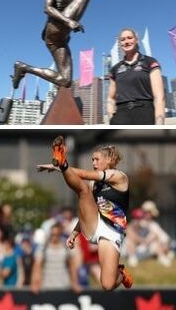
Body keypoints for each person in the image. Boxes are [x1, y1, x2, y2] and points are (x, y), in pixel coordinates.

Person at [12, 0, 123, 89]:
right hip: (53, 29)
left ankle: (24, 67)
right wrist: (68, 21)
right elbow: (47, 8)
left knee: (65, 81)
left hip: (60, 41)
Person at [36, 136, 132, 291]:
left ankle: (121, 274)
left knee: (107, 285)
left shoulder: (118, 176)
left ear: (108, 161)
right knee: (83, 190)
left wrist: (59, 167)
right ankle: (63, 160)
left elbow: (85, 174)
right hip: (95, 224)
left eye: (96, 160)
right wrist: (74, 233)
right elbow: (88, 209)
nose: (93, 163)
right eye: (92, 160)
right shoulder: (94, 185)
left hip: (113, 231)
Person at [107, 28, 166, 124]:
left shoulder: (150, 62)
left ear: (136, 40)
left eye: (129, 38)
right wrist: (112, 118)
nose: (126, 42)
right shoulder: (115, 69)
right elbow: (110, 97)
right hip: (121, 116)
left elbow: (159, 96)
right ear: (120, 43)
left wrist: (159, 123)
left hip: (145, 113)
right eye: (122, 39)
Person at [30, 222, 82, 294]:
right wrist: (34, 283)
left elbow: (72, 266)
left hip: (64, 287)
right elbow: (37, 266)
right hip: (46, 287)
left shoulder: (66, 247)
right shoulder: (43, 247)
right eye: (53, 235)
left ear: (60, 234)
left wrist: (75, 283)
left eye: (57, 235)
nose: (54, 237)